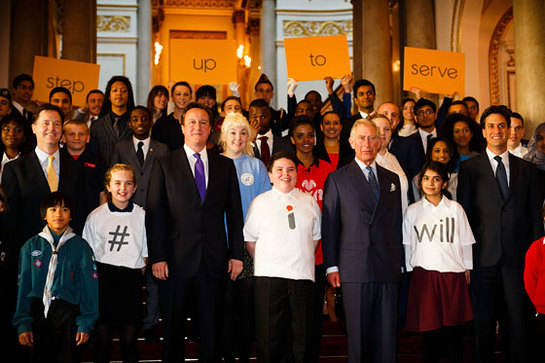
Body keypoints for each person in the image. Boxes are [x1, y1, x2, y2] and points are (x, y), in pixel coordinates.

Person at [146, 102, 244, 362]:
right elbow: (155, 215)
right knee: (173, 329)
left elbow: (235, 216)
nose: (197, 127)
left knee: (212, 330)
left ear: (211, 128)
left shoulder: (224, 165)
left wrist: (236, 255)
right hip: (174, 261)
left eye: (203, 122)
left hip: (214, 261)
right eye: (192, 122)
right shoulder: (164, 164)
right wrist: (157, 256)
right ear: (182, 127)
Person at [457, 105, 544, 362]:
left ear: (509, 131)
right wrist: (467, 261)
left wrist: (538, 258)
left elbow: (534, 218)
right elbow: (465, 218)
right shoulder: (469, 168)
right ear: (483, 131)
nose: (497, 130)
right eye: (491, 126)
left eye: (501, 126)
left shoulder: (527, 170)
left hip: (519, 260)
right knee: (483, 324)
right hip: (483, 259)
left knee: (518, 324)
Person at [322, 118, 402, 363]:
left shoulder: (392, 179)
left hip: (387, 267)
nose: (367, 144)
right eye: (361, 138)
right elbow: (330, 225)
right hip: (354, 267)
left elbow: (396, 224)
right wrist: (332, 266)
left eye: (371, 138)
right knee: (358, 340)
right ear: (351, 142)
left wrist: (399, 262)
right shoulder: (337, 179)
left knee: (387, 339)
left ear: (379, 142)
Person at [244, 151, 321, 363]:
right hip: (269, 278)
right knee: (269, 340)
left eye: (290, 170)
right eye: (279, 169)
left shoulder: (309, 202)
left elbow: (314, 239)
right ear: (269, 175)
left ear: (297, 174)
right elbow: (250, 241)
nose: (285, 174)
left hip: (302, 277)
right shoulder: (260, 203)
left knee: (302, 341)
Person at [12, 191, 98, 363]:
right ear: (44, 215)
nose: (58, 214)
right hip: (38, 313)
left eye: (64, 209)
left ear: (71, 215)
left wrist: (85, 322)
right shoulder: (30, 246)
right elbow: (24, 287)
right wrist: (23, 323)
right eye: (53, 209)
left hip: (69, 314)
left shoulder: (81, 247)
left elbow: (89, 288)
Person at [404, 161, 475, 363]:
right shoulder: (412, 211)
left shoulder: (455, 209)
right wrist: (411, 272)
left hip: (452, 275)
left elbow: (466, 241)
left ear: (444, 184)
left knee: (452, 333)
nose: (431, 183)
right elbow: (408, 244)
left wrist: (467, 268)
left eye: (436, 179)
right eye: (426, 178)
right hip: (424, 276)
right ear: (420, 183)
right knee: (429, 333)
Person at [219, 113, 271, 363]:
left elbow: (266, 205)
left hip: (250, 247)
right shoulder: (213, 163)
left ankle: (244, 356)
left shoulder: (256, 166)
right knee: (225, 308)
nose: (238, 138)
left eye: (242, 133)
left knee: (248, 307)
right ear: (224, 136)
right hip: (221, 247)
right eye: (232, 132)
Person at [83, 164, 146, 363]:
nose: (123, 188)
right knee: (103, 342)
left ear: (135, 187)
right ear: (108, 187)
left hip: (131, 280)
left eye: (128, 183)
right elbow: (88, 251)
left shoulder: (142, 216)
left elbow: (146, 251)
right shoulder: (96, 216)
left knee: (129, 343)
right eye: (117, 183)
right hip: (104, 280)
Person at [290, 117, 335, 361]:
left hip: (320, 255)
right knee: (294, 314)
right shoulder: (287, 170)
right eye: (301, 135)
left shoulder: (329, 170)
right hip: (293, 255)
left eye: (310, 135)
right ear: (292, 139)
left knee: (314, 316)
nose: (306, 140)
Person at [110, 106, 168, 207]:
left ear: (151, 123)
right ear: (130, 124)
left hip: (155, 206)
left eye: (144, 119)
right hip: (127, 206)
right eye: (135, 120)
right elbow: (113, 178)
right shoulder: (120, 148)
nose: (140, 123)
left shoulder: (162, 149)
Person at [61, 119, 107, 215]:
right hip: (62, 217)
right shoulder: (57, 159)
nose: (77, 138)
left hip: (90, 215)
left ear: (88, 138)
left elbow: (103, 193)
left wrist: (101, 215)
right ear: (63, 138)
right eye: (71, 134)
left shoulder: (98, 161)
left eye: (81, 134)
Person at [90, 75, 135, 165]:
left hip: (131, 175)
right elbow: (93, 155)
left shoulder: (136, 123)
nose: (119, 94)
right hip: (105, 176)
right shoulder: (97, 125)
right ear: (109, 96)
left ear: (129, 95)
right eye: (115, 90)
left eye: (123, 91)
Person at [371, 114, 409, 213]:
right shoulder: (365, 163)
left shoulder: (397, 159)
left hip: (402, 222)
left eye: (387, 129)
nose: (382, 133)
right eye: (377, 129)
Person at [249, 98, 294, 167]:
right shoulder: (244, 145)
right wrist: (250, 141)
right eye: (254, 117)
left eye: (263, 116)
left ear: (270, 116)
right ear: (249, 118)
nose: (259, 121)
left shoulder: (285, 144)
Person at [151, 81, 191, 151]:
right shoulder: (161, 124)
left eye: (186, 95)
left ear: (191, 98)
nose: (182, 98)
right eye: (178, 94)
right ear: (172, 98)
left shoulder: (196, 123)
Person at [0, 114, 26, 179]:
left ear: (24, 136)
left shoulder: (31, 162)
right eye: (7, 129)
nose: (11, 134)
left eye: (18, 130)